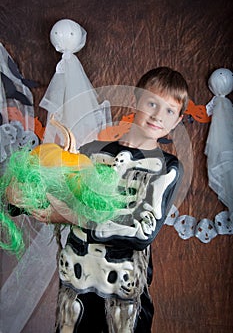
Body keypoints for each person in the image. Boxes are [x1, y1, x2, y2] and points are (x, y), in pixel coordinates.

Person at [6, 66, 189, 333]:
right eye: (152, 103)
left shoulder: (167, 167)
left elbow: (142, 231)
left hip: (122, 293)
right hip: (75, 286)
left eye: (169, 110)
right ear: (135, 100)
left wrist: (74, 215)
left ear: (177, 120)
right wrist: (20, 196)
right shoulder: (91, 153)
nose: (158, 115)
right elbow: (57, 192)